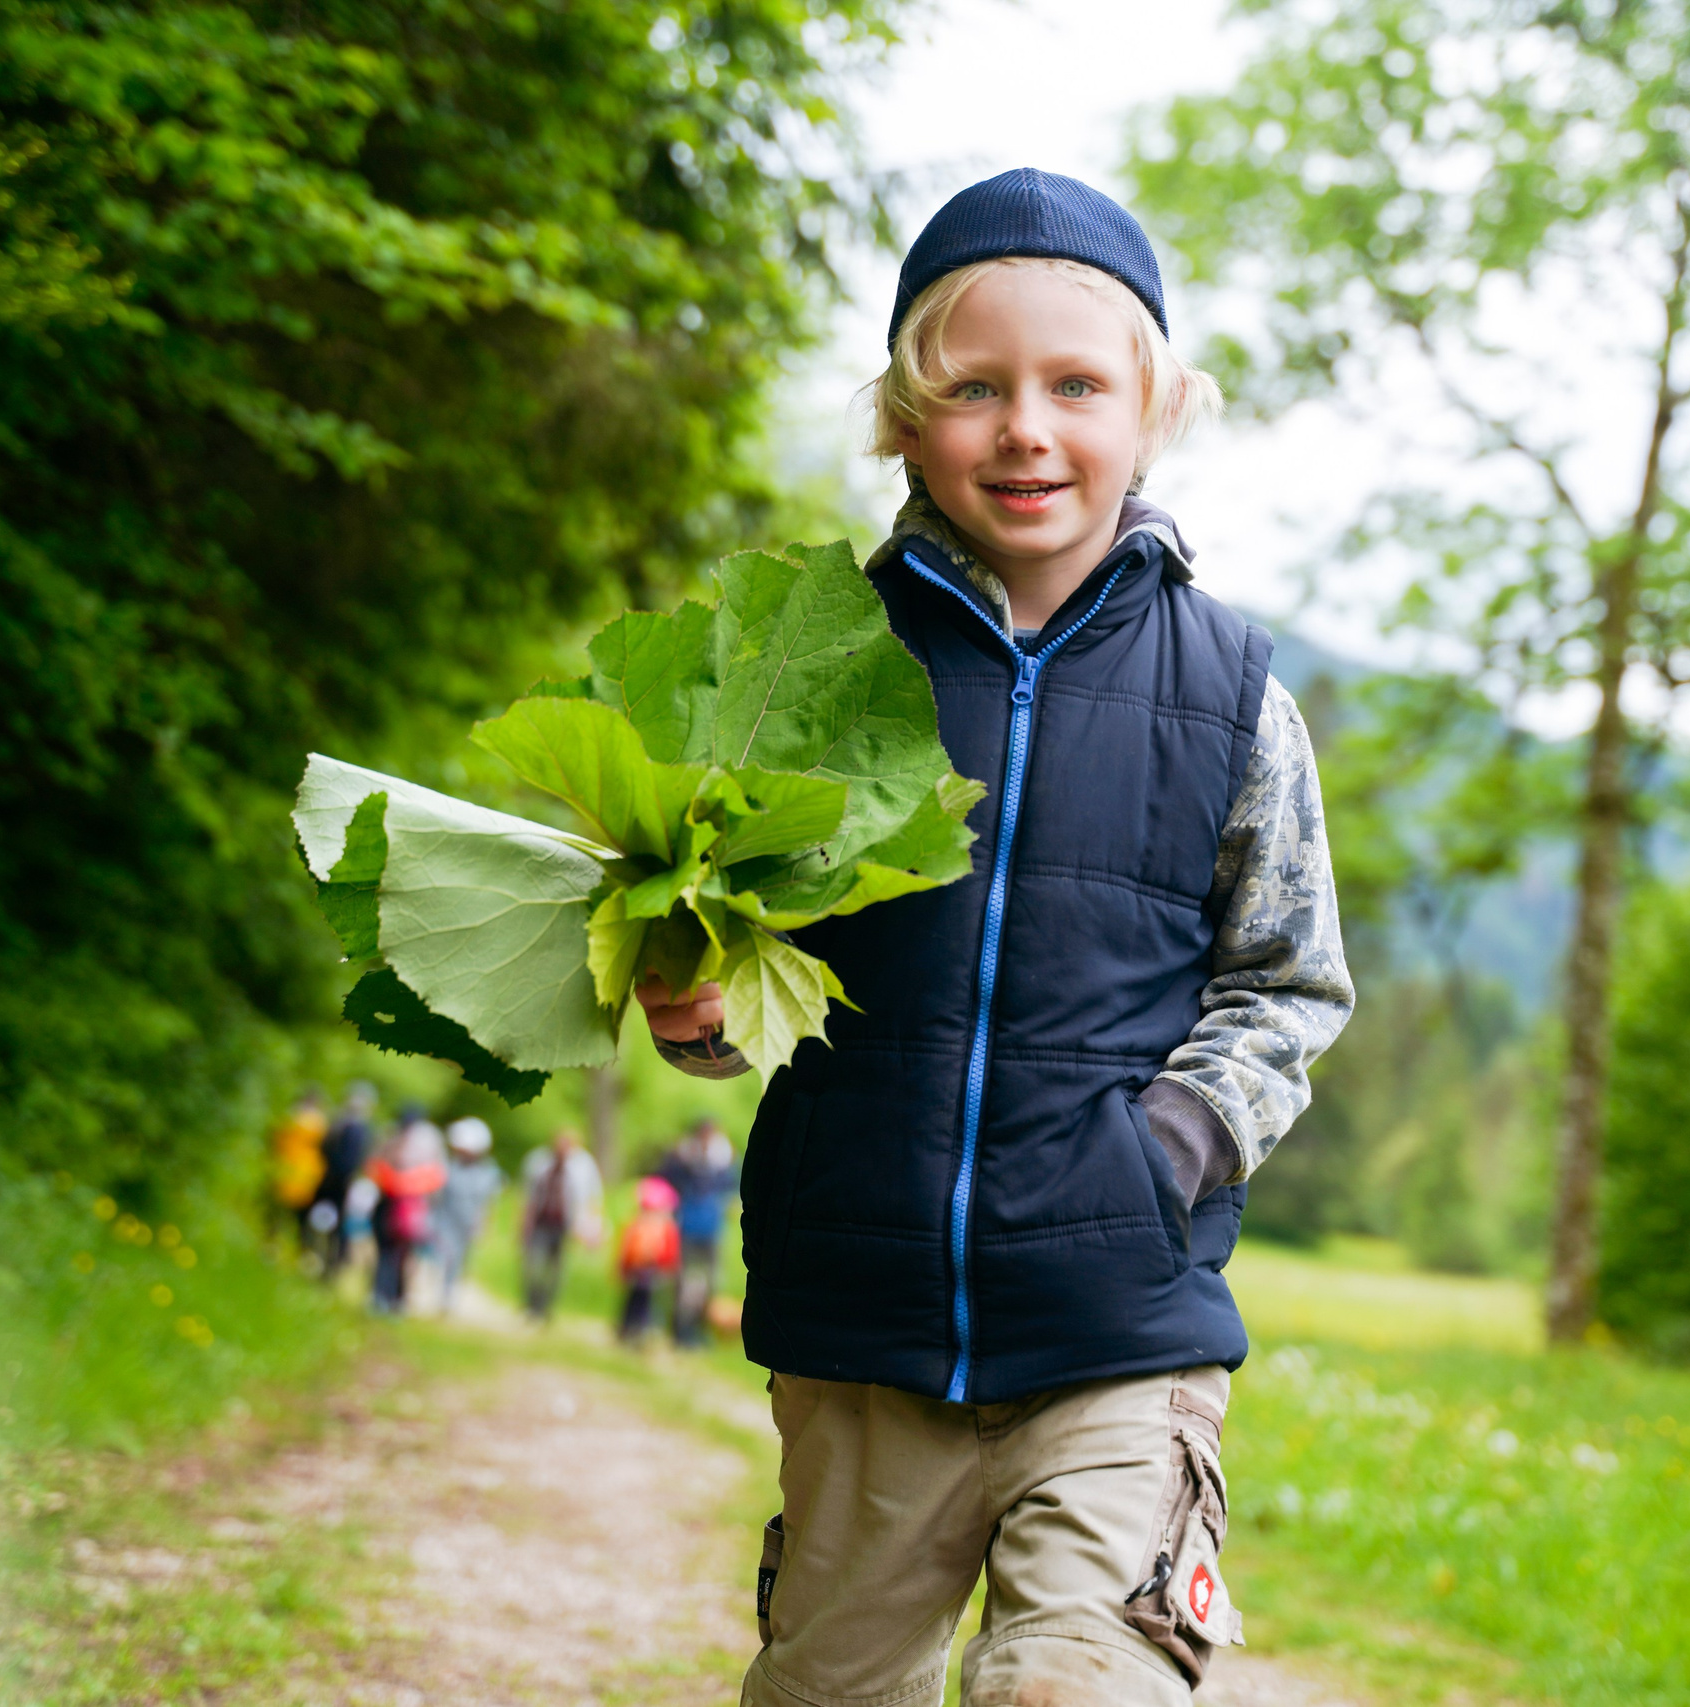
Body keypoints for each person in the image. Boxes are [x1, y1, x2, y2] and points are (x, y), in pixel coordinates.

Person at [638, 170, 1352, 1707]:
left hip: (1116, 1324)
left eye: (1077, 384)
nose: (1028, 426)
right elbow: (731, 940)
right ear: (905, 422)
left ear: (1151, 408)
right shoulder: (812, 672)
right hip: (862, 1319)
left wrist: (1165, 1143)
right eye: (974, 388)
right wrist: (694, 1004)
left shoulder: (1235, 695)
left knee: (1076, 1685)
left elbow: (1285, 981)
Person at [656, 1119, 738, 1347]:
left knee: (710, 1282)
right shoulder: (682, 1161)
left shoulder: (723, 1162)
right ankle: (679, 1330)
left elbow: (730, 1188)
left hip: (711, 1229)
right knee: (681, 1282)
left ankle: (700, 1330)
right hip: (687, 1227)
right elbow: (665, 1181)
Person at [366, 1102, 446, 1315]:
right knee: (391, 1254)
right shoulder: (393, 1138)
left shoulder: (418, 1141)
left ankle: (392, 1298)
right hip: (395, 1205)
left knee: (399, 1256)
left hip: (407, 1207)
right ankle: (385, 1297)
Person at [518, 1124, 604, 1321]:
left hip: (565, 1225)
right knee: (533, 1265)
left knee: (557, 1269)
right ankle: (532, 1304)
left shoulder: (583, 1165)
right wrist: (523, 1222)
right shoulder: (538, 1161)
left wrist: (591, 1228)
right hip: (540, 1221)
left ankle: (546, 1308)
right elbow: (527, 1194)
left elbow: (593, 1197)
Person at [429, 1116, 505, 1315]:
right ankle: (439, 1294)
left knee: (459, 1260)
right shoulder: (448, 1167)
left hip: (467, 1222)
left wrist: (483, 1223)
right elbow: (437, 1196)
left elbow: (487, 1202)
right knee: (445, 1255)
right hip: (445, 1220)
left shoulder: (488, 1173)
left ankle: (448, 1297)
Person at [310, 1081, 377, 1277]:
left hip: (345, 1183)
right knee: (323, 1219)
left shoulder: (361, 1129)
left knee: (341, 1226)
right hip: (333, 1180)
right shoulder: (341, 1123)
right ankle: (319, 1257)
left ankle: (333, 1263)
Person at [614, 1175, 681, 1346]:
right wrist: (623, 1268)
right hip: (637, 1271)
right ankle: (627, 1329)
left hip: (654, 1272)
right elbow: (627, 1250)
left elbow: (670, 1253)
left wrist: (668, 1269)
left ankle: (640, 1332)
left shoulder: (666, 1229)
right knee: (634, 1301)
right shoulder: (637, 1226)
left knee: (647, 1303)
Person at [268, 1087, 329, 1245]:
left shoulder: (299, 1116)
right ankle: (281, 1238)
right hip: (298, 1164)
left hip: (298, 1165)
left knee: (290, 1203)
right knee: (287, 1202)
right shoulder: (315, 1120)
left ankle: (279, 1237)